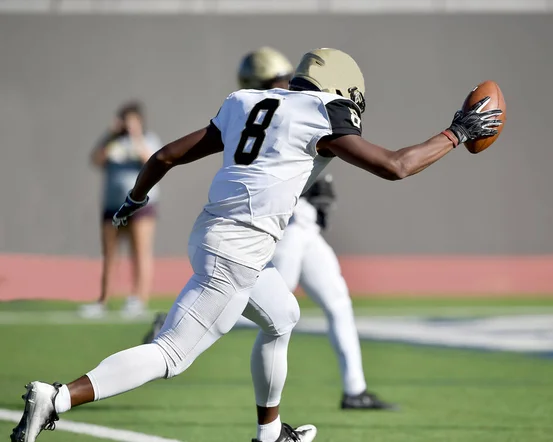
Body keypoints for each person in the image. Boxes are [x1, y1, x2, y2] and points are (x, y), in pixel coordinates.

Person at [11, 48, 502, 442]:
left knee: (282, 317)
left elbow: (164, 155)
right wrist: (456, 132)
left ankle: (271, 434)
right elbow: (396, 165)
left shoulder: (245, 102)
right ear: (341, 91)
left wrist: (134, 199)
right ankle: (56, 398)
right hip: (239, 250)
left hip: (211, 234)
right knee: (171, 355)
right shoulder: (323, 113)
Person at [143, 47, 395, 410]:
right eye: (274, 81)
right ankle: (180, 320)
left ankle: (354, 388)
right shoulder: (297, 106)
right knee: (266, 307)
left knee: (331, 302)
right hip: (277, 224)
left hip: (302, 224)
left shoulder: (268, 103)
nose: (283, 86)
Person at [81, 102, 161, 318]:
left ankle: (138, 299)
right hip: (113, 206)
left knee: (140, 252)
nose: (127, 124)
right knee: (109, 254)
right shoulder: (112, 143)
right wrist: (109, 134)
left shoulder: (148, 139)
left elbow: (151, 161)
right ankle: (103, 300)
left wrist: (136, 136)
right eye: (124, 120)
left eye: (131, 120)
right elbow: (96, 160)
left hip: (140, 206)